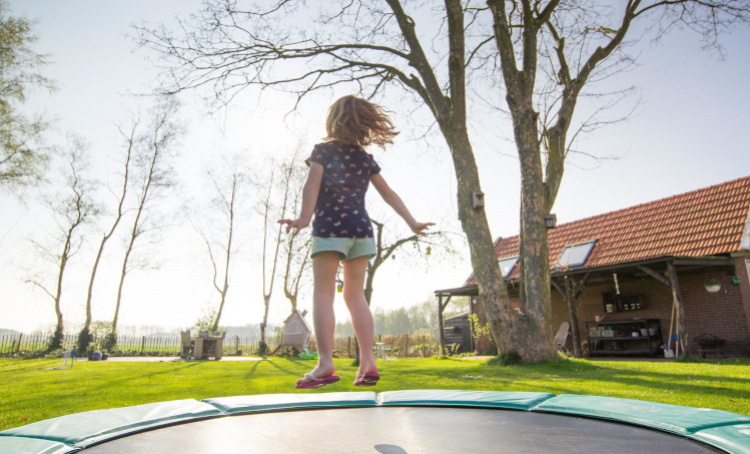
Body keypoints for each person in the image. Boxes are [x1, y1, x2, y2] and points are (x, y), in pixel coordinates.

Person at [279, 95, 433, 389]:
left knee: (324, 293)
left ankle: (325, 363)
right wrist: (412, 222)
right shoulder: (365, 158)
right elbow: (389, 194)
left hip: (331, 229)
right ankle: (368, 363)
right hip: (361, 230)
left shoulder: (322, 151)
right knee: (355, 296)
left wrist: (302, 218)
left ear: (333, 120)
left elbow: (311, 184)